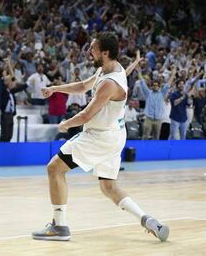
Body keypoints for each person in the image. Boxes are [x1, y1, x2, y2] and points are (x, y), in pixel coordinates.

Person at [32, 32, 169, 242]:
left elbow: (87, 114)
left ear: (105, 52)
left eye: (93, 48)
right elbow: (83, 86)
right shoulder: (109, 68)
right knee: (108, 186)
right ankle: (147, 220)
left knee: (54, 168)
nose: (89, 51)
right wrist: (55, 89)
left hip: (99, 136)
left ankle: (59, 227)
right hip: (114, 135)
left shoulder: (110, 83)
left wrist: (64, 124)